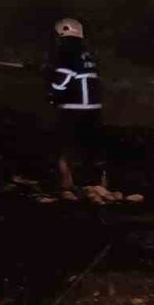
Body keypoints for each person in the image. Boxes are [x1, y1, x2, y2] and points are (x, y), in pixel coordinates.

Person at [45, 17, 104, 194]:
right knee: (89, 147)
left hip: (74, 107)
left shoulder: (67, 51)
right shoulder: (86, 52)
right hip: (93, 108)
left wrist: (50, 83)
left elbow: (62, 79)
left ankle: (67, 184)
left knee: (65, 147)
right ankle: (97, 184)